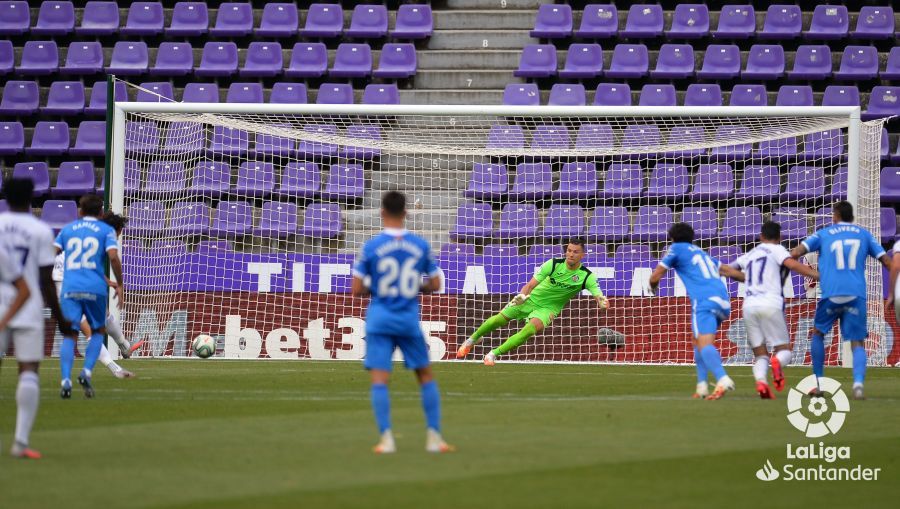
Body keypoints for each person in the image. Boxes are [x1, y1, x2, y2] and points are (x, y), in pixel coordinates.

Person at [350, 191, 452, 454]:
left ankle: (386, 439)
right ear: (405, 213)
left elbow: (357, 288)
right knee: (425, 375)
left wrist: (383, 286)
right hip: (407, 319)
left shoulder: (371, 246)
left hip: (380, 318)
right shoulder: (419, 245)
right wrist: (412, 287)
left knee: (380, 379)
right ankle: (434, 438)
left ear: (382, 213)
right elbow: (437, 282)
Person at [790, 201, 891, 400]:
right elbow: (886, 261)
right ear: (852, 216)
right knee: (858, 342)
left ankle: (818, 384)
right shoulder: (864, 234)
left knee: (818, 333)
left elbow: (795, 253)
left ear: (835, 215)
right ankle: (858, 384)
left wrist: (815, 273)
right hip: (856, 294)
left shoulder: (824, 233)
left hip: (831, 293)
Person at [0, 178, 71, 458]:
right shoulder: (41, 230)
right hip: (27, 307)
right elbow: (45, 279)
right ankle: (20, 442)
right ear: (32, 198)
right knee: (28, 370)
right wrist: (60, 317)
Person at [457, 240, 608, 365]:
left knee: (529, 331)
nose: (570, 254)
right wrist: (522, 296)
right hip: (530, 299)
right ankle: (472, 340)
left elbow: (599, 297)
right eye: (569, 250)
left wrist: (603, 303)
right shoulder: (554, 264)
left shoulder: (587, 276)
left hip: (548, 309)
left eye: (575, 252)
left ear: (582, 255)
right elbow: (530, 285)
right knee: (498, 320)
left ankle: (493, 354)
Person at [719, 222, 819, 399]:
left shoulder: (751, 253)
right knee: (784, 349)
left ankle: (762, 383)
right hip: (771, 303)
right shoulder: (778, 249)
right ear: (779, 238)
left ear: (761, 237)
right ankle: (778, 362)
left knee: (760, 354)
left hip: (749, 305)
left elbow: (728, 270)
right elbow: (792, 264)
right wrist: (818, 275)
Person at [649, 223, 735, 400]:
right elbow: (726, 270)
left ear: (672, 238)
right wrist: (749, 280)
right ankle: (702, 386)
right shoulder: (700, 252)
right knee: (697, 341)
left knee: (703, 343)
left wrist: (653, 287)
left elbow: (655, 276)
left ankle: (723, 379)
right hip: (724, 301)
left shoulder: (676, 249)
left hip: (704, 301)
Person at [52, 211, 140, 379]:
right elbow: (110, 260)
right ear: (117, 229)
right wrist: (118, 283)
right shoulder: (103, 238)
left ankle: (124, 346)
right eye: (120, 231)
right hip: (65, 282)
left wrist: (109, 282)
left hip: (72, 277)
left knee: (104, 314)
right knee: (91, 330)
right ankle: (116, 369)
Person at [54, 195, 123, 399]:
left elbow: (51, 253)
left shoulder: (67, 230)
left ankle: (65, 379)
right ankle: (88, 372)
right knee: (97, 331)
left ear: (80, 212)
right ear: (101, 213)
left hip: (69, 287)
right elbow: (112, 257)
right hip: (94, 288)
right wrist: (119, 283)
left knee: (70, 334)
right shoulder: (106, 231)